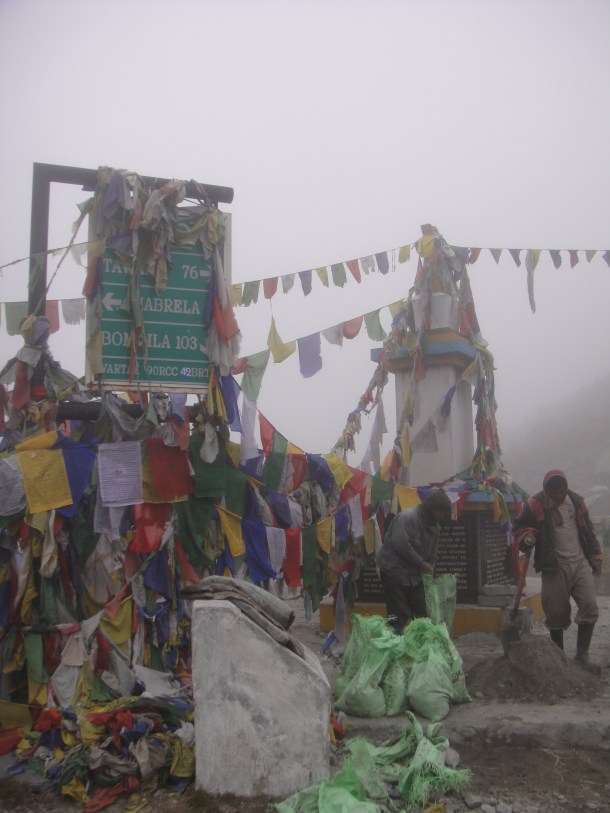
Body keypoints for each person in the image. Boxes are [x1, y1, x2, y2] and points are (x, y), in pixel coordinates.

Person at [512, 469, 604, 670]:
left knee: (589, 605)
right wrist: (527, 536)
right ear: (546, 490)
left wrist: (595, 557)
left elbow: (588, 531)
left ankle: (582, 655)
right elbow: (518, 526)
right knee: (556, 612)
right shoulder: (536, 504)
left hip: (579, 562)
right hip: (554, 565)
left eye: (560, 490)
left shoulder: (576, 502)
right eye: (553, 491)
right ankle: (559, 658)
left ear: (565, 487)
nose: (557, 494)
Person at [376, 489, 452, 634]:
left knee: (423, 612)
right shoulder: (407, 518)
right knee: (398, 615)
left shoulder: (435, 528)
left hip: (415, 576)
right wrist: (421, 563)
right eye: (442, 512)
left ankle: (422, 646)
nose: (443, 516)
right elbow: (401, 544)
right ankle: (396, 646)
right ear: (433, 509)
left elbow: (432, 555)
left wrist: (430, 574)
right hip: (394, 571)